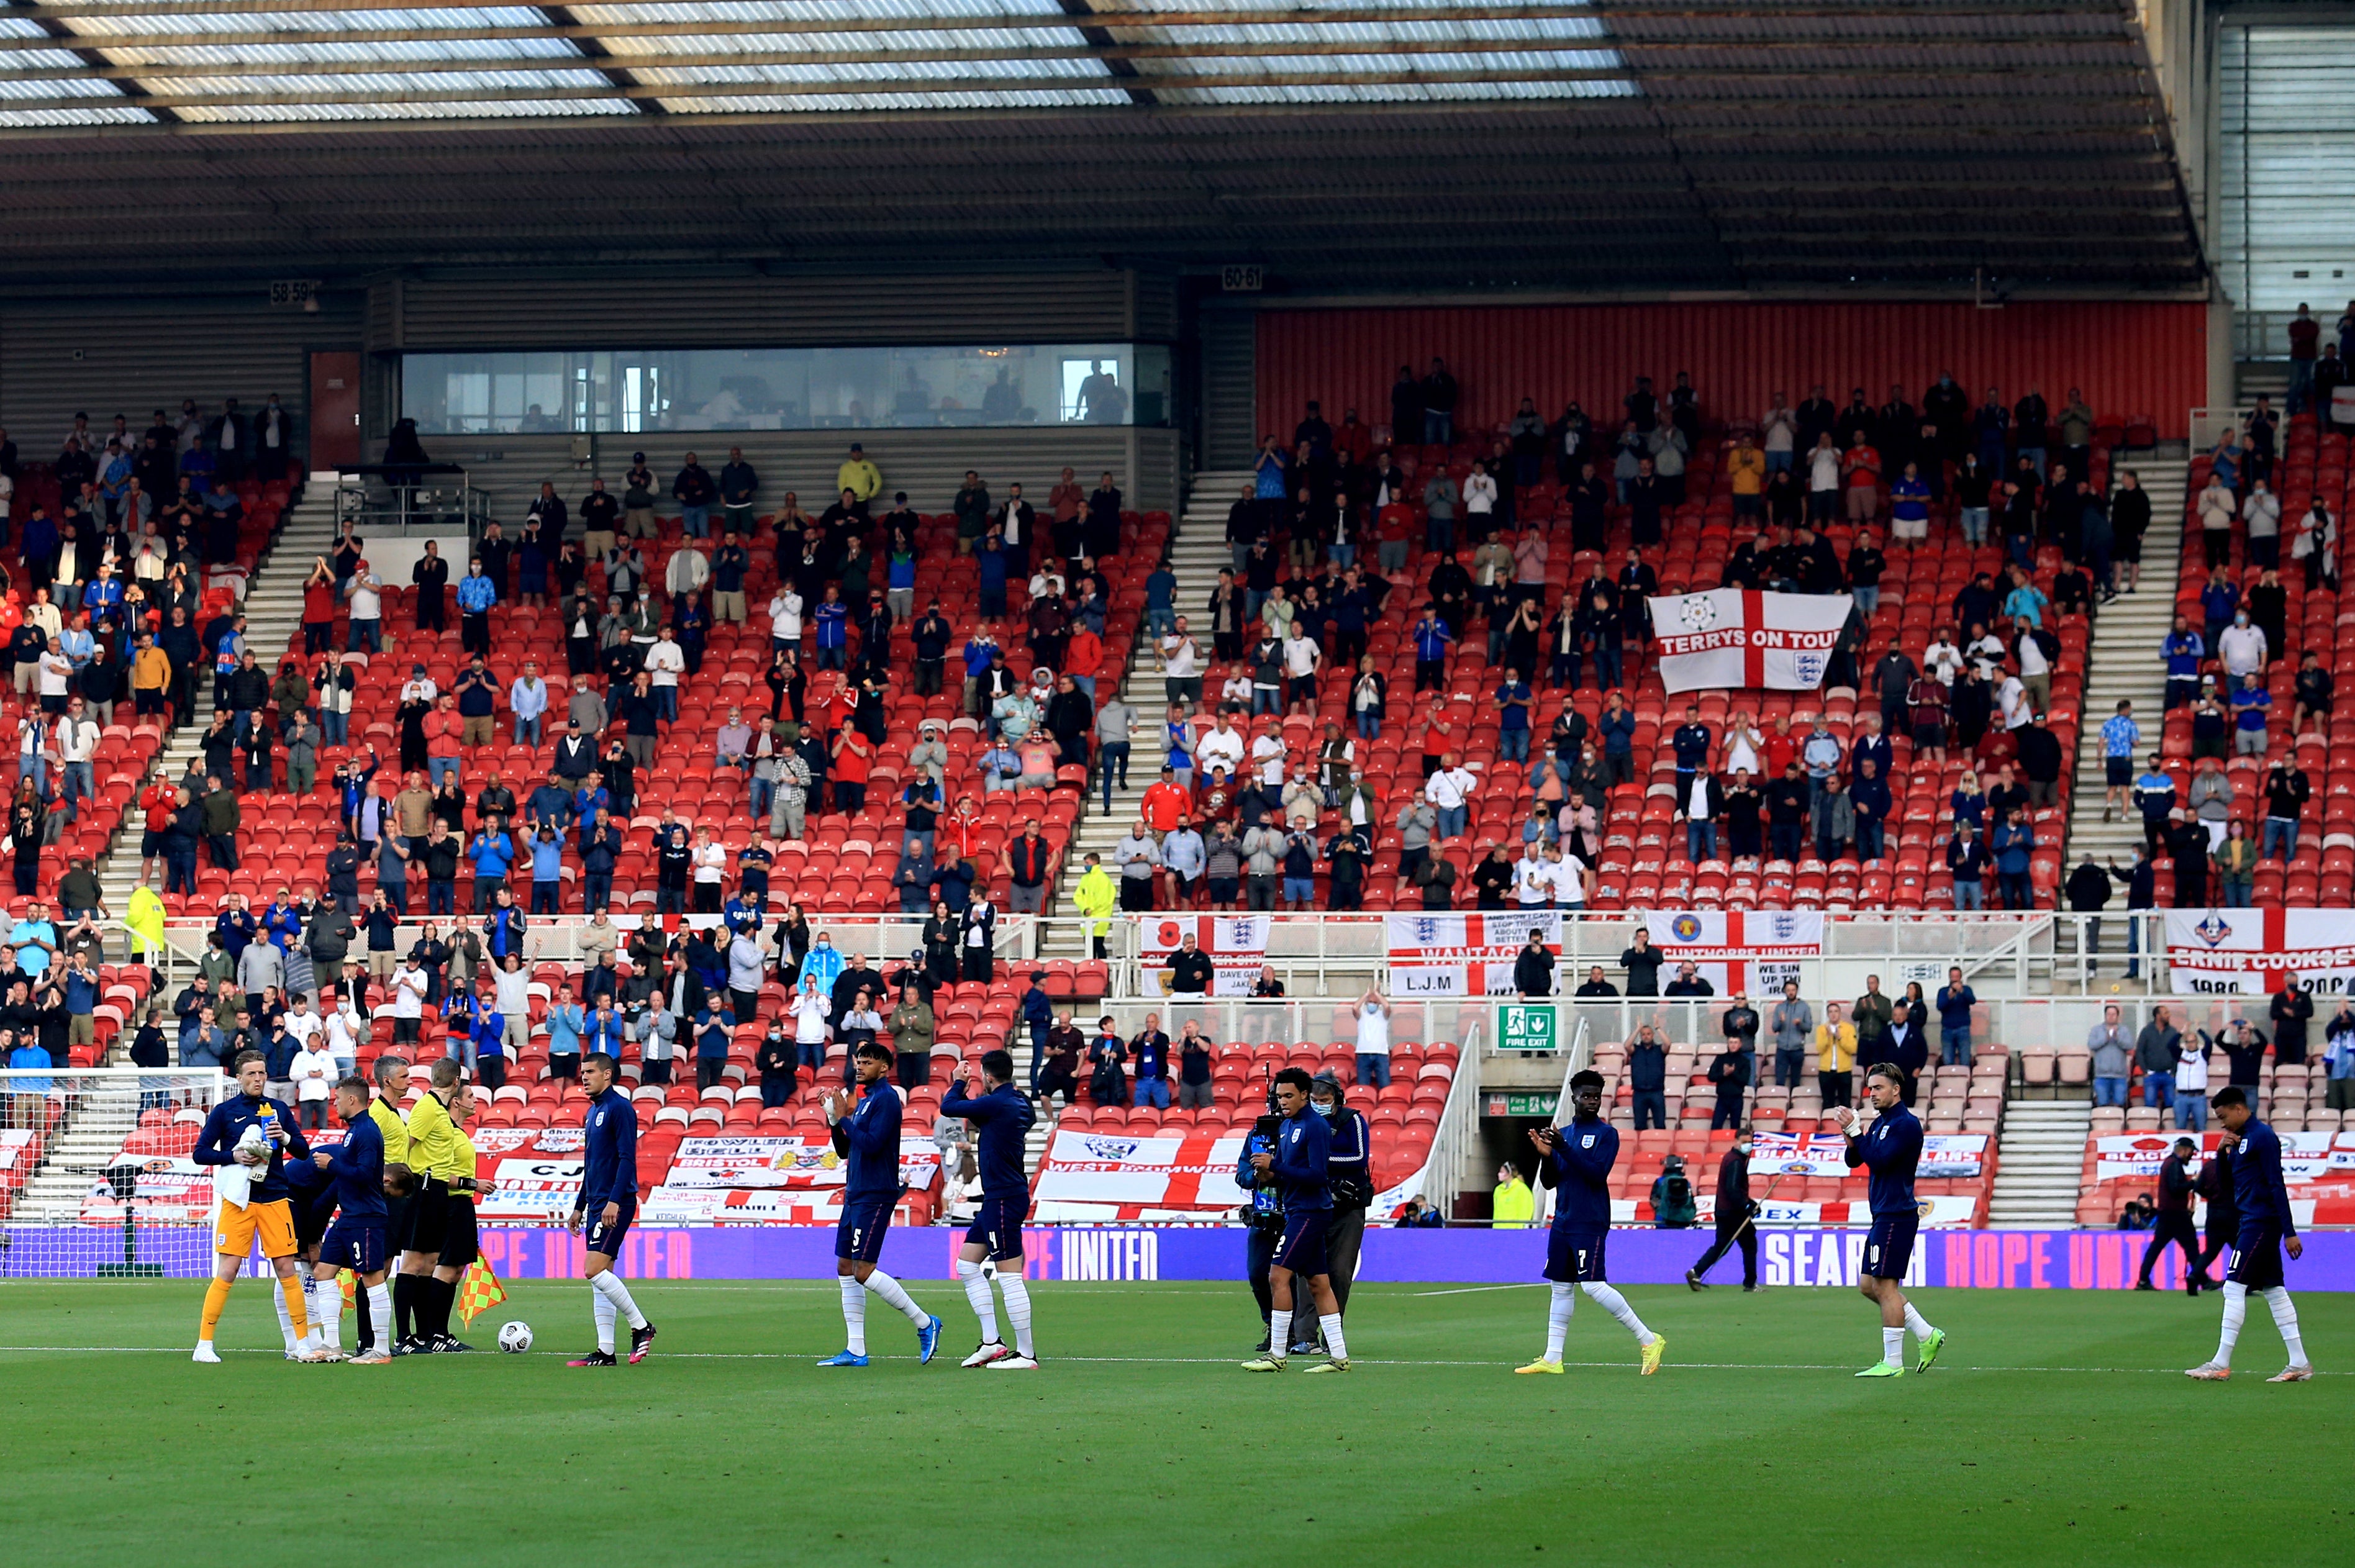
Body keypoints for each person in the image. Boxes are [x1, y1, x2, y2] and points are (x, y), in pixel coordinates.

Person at [1517, 1071, 1664, 1376]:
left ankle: (1649, 1340)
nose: (1592, 1102)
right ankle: (1553, 1358)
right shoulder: (1565, 1133)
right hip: (1563, 1219)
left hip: (1589, 1219)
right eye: (1586, 1096)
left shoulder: (1605, 1135)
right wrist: (1547, 1155)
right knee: (1560, 1287)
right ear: (1574, 1097)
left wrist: (1563, 1149)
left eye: (1597, 1096)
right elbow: (1549, 1182)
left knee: (1593, 1286)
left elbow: (1597, 1174)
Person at [817, 1041, 942, 1367]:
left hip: (876, 1193)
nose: (860, 1066)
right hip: (856, 1191)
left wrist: (844, 1117)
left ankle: (925, 1322)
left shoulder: (886, 1100)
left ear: (884, 1068)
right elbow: (847, 1151)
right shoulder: (866, 1101)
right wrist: (835, 1121)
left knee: (863, 1271)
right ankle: (856, 1349)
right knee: (845, 1268)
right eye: (858, 1061)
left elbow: (872, 1145)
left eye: (868, 1062)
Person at [2186, 1085, 2312, 1382]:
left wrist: (2289, 1231)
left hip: (2261, 1222)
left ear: (2239, 1109)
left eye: (2223, 1116)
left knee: (2233, 1287)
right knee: (2273, 1289)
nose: (2222, 1123)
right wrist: (2221, 1154)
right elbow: (2228, 1187)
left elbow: (2276, 1184)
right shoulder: (2241, 1141)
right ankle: (2299, 1363)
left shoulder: (2263, 1138)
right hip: (2250, 1220)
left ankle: (2220, 1363)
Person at [1839, 1062, 1946, 1377]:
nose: (1872, 1094)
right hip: (1882, 1214)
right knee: (1867, 1286)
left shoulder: (1906, 1125)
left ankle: (1893, 1362)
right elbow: (1855, 1159)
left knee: (1885, 1287)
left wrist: (1858, 1133)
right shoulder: (1882, 1123)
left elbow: (1881, 1160)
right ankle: (1927, 1333)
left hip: (1897, 1215)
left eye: (1878, 1088)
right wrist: (1850, 1134)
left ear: (1896, 1090)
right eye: (1870, 1089)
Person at [941, 1050, 1040, 1369]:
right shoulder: (1019, 1102)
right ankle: (991, 1343)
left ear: (987, 1076)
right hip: (999, 1196)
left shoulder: (997, 1103)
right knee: (967, 1265)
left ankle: (1026, 1354)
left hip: (1003, 1199)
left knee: (1009, 1277)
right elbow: (1025, 1118)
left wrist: (959, 1082)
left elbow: (949, 1108)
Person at [562, 1053, 656, 1367]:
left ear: (608, 1074)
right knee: (601, 1276)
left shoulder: (620, 1109)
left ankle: (642, 1327)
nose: (584, 1077)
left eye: (590, 1072)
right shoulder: (592, 1113)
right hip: (597, 1202)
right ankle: (605, 1351)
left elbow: (627, 1158)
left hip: (616, 1202)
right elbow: (592, 1166)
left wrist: (615, 1200)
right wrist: (579, 1206)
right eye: (582, 1072)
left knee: (593, 1269)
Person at [306, 1076, 395, 1362]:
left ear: (352, 1100)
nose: (335, 1102)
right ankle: (332, 1345)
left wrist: (333, 1164)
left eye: (338, 1098)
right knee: (322, 1272)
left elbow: (367, 1175)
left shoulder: (367, 1132)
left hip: (366, 1217)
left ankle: (380, 1348)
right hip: (348, 1217)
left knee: (372, 1277)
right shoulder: (354, 1131)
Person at [1686, 1128, 1759, 1291]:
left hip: (1724, 1210)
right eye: (1745, 1142)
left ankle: (1696, 1271)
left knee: (1721, 1246)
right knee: (1749, 1244)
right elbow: (1733, 1189)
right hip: (1733, 1212)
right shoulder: (1735, 1161)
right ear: (1737, 1142)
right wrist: (1746, 1206)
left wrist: (1750, 1203)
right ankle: (1750, 1283)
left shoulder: (1733, 1158)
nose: (1748, 1146)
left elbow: (1735, 1190)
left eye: (1750, 1142)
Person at [2136, 1137, 2204, 1294]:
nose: (2192, 1155)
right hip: (2176, 1214)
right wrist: (2194, 1182)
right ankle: (2203, 1279)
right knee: (2191, 1246)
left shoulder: (2169, 1163)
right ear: (2185, 1150)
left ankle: (2143, 1279)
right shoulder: (2174, 1165)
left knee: (2156, 1247)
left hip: (2167, 1213)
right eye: (2191, 1152)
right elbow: (2176, 1188)